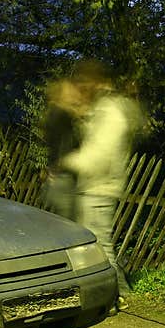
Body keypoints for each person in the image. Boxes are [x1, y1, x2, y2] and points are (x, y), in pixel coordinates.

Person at [58, 59, 143, 309]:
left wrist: (69, 161)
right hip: (95, 185)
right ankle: (113, 295)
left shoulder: (110, 113)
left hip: (99, 186)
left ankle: (116, 296)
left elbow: (100, 154)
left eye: (86, 82)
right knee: (96, 243)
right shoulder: (104, 110)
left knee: (99, 246)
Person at [40, 77, 84, 222]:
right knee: (66, 226)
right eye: (70, 91)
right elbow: (68, 146)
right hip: (62, 178)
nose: (75, 93)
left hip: (55, 178)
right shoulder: (61, 114)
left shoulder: (53, 114)